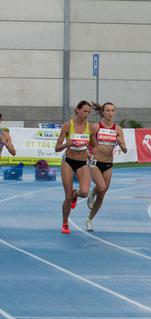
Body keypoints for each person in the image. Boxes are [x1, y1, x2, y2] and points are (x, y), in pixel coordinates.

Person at [84, 102, 128, 232]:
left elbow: (125, 150)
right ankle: (92, 192)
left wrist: (121, 144)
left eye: (112, 110)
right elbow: (84, 142)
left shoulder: (118, 129)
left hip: (108, 164)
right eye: (107, 110)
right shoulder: (95, 127)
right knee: (101, 187)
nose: (110, 113)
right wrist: (88, 154)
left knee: (102, 195)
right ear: (103, 112)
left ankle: (90, 219)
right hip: (95, 162)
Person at [54, 101, 95, 235]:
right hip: (68, 161)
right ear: (77, 110)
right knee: (67, 197)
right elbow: (57, 148)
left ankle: (75, 194)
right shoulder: (67, 125)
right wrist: (67, 144)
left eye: (88, 112)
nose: (86, 114)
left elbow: (94, 146)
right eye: (84, 111)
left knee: (84, 192)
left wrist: (91, 154)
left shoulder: (91, 127)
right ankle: (65, 223)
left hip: (82, 162)